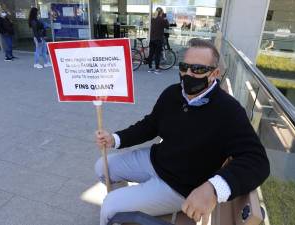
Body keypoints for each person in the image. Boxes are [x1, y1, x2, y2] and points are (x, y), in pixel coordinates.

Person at [95, 38, 270, 225]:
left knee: (109, 205)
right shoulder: (173, 93)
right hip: (155, 161)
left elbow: (257, 161)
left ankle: (121, 209)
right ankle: (127, 214)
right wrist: (115, 138)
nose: (188, 74)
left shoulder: (229, 111)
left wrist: (213, 188)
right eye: (184, 67)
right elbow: (150, 125)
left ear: (215, 73)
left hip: (179, 188)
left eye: (198, 69)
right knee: (102, 167)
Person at [146, 7, 169, 74]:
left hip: (152, 39)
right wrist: (165, 18)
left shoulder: (153, 19)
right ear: (161, 12)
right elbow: (167, 26)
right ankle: (156, 69)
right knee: (157, 55)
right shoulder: (162, 19)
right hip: (158, 39)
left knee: (151, 54)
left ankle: (150, 68)